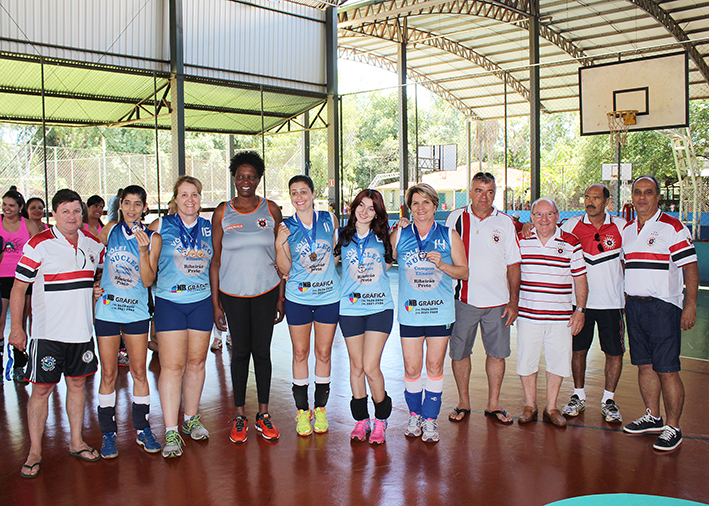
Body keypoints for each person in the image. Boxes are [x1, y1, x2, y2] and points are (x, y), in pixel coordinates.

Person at [9, 189, 104, 478]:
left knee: (77, 387)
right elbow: (18, 288)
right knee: (41, 390)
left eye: (76, 211)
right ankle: (35, 451)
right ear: (54, 215)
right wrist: (16, 329)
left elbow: (98, 274)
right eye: (65, 211)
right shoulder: (39, 245)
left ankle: (76, 442)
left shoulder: (92, 244)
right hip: (47, 334)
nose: (72, 217)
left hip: (81, 333)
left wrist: (94, 289)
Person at [210, 151, 285, 444]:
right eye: (240, 176)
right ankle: (239, 415)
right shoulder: (222, 212)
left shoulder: (272, 210)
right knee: (240, 353)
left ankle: (263, 415)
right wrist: (216, 303)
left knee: (263, 353)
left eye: (251, 176)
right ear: (234, 178)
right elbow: (215, 260)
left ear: (258, 179)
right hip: (233, 294)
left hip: (266, 292)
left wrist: (280, 298)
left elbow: (281, 257)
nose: (245, 181)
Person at [621, 175, 698, 451]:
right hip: (634, 306)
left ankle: (673, 427)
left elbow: (690, 267)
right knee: (644, 365)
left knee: (667, 369)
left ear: (657, 197)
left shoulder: (673, 227)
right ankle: (653, 416)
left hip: (663, 307)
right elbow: (624, 265)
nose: (642, 197)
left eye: (648, 192)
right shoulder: (628, 229)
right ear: (632, 197)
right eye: (637, 192)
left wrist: (689, 305)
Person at [391, 183, 468, 442]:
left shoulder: (449, 234)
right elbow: (388, 258)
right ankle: (415, 415)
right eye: (415, 203)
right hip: (411, 313)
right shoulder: (401, 234)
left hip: (439, 313)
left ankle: (431, 420)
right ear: (409, 208)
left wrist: (443, 264)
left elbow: (464, 272)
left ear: (436, 206)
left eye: (426, 203)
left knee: (434, 367)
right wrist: (395, 230)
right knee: (412, 368)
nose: (420, 208)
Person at [445, 172, 521, 424]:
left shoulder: (505, 222)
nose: (484, 197)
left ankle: (493, 404)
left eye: (489, 191)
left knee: (497, 354)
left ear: (495, 193)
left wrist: (513, 302)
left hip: (498, 304)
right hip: (463, 300)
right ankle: (464, 403)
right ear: (470, 191)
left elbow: (513, 264)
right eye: (479, 190)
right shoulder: (456, 218)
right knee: (459, 354)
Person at [94, 185, 162, 458]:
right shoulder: (110, 229)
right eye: (128, 203)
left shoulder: (153, 237)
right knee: (109, 373)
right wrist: (93, 284)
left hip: (136, 312)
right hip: (107, 311)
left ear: (145, 208)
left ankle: (142, 429)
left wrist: (143, 252)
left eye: (138, 204)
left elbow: (147, 281)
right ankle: (108, 434)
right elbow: (88, 255)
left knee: (138, 372)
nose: (132, 209)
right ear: (120, 205)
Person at [149, 176, 213, 458]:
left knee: (197, 363)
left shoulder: (210, 228)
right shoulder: (161, 226)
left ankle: (191, 418)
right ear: (175, 199)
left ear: (200, 198)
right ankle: (171, 429)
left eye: (195, 195)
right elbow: (141, 261)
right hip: (170, 303)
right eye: (184, 195)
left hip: (201, 302)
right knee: (172, 367)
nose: (190, 200)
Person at [275, 175, 340, 437]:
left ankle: (320, 408)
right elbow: (285, 269)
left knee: (323, 354)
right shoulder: (286, 226)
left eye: (303, 191)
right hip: (299, 298)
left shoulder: (329, 219)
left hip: (328, 297)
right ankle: (302, 411)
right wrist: (280, 243)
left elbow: (335, 251)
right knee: (300, 353)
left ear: (313, 193)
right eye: (293, 193)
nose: (299, 197)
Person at [516, 198, 587, 428]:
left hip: (560, 318)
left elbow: (580, 280)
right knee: (527, 361)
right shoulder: (521, 241)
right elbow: (510, 273)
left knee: (558, 362)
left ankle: (551, 407)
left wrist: (580, 310)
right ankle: (530, 405)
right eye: (539, 215)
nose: (544, 219)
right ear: (532, 217)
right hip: (528, 315)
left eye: (549, 214)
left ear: (557, 216)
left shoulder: (571, 242)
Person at [559, 184, 627, 423]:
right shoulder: (570, 226)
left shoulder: (621, 227)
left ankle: (609, 400)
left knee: (614, 352)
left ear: (607, 201)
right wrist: (527, 226)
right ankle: (578, 395)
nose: (590, 202)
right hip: (580, 306)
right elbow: (546, 232)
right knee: (578, 351)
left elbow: (628, 261)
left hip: (612, 303)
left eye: (596, 198)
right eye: (587, 197)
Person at [335, 189, 394, 444]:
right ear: (353, 207)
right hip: (350, 310)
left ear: (377, 212)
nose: (364, 211)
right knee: (356, 367)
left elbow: (391, 263)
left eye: (371, 208)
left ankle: (381, 419)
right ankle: (361, 421)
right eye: (361, 205)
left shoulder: (385, 237)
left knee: (371, 366)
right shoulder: (342, 236)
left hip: (380, 308)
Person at [0, 189, 41, 383]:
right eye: (4, 204)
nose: (6, 208)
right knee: (1, 321)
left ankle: (19, 365)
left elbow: (41, 247)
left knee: (23, 320)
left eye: (11, 205)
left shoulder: (29, 225)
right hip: (2, 277)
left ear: (20, 208)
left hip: (24, 278)